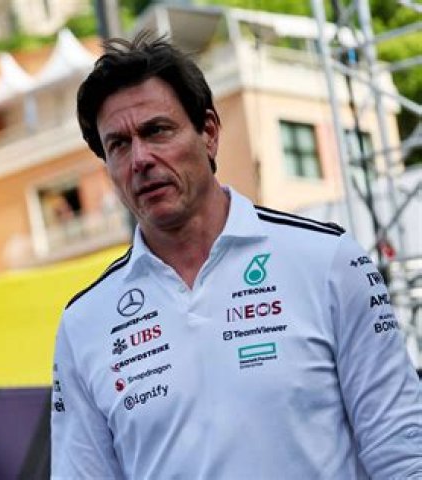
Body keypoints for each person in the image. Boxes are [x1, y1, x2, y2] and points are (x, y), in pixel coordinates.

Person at [50, 32, 422, 479]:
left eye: (157, 131)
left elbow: (403, 452)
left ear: (208, 132)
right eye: (119, 145)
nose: (140, 159)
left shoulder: (327, 261)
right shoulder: (85, 322)